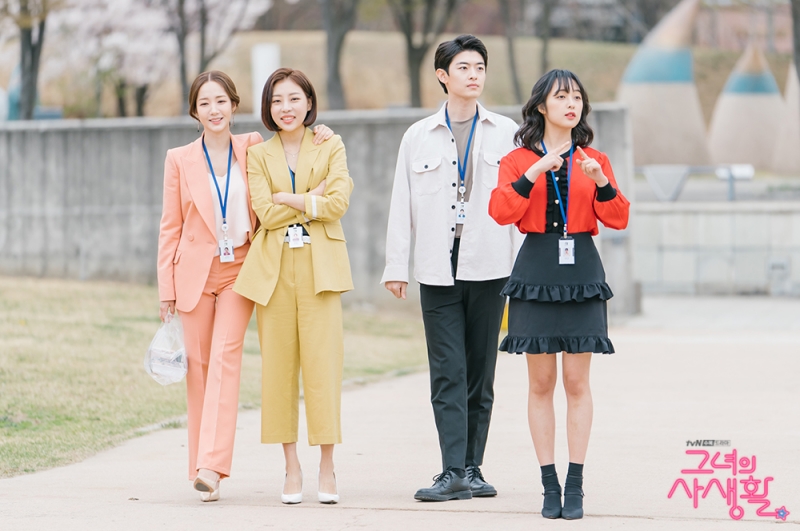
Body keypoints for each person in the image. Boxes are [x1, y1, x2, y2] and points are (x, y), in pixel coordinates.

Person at [156, 70, 332, 502]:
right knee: (198, 369)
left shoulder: (252, 145)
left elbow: (292, 143)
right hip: (193, 274)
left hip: (241, 268)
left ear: (234, 106)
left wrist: (321, 132)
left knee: (225, 358)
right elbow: (170, 227)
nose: (214, 110)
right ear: (195, 112)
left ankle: (211, 468)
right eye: (204, 104)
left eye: (221, 101)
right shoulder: (179, 159)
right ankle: (202, 467)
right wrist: (166, 290)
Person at [382, 35, 521, 502]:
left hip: (491, 264)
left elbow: (520, 204)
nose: (473, 74)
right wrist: (396, 266)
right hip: (436, 267)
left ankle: (473, 469)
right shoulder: (418, 136)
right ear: (443, 75)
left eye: (479, 66)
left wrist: (522, 271)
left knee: (481, 371)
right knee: (447, 372)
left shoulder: (507, 132)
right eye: (463, 67)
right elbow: (401, 203)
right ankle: (452, 471)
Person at [488, 69, 630, 519]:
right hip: (534, 271)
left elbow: (619, 217)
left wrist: (600, 180)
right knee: (540, 383)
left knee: (576, 382)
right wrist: (534, 171)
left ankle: (575, 484)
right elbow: (501, 211)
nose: (571, 104)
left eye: (577, 98)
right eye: (562, 97)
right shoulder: (516, 160)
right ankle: (549, 484)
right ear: (541, 106)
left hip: (582, 271)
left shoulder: (595, 158)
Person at [233, 68, 353, 505]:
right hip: (274, 270)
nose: (286, 108)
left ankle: (327, 465)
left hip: (322, 270)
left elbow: (338, 203)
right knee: (278, 370)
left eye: (294, 98)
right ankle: (291, 466)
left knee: (324, 369)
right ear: (268, 107)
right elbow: (264, 214)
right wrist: (308, 199)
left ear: (309, 102)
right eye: (277, 100)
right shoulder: (257, 154)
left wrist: (288, 198)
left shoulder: (330, 144)